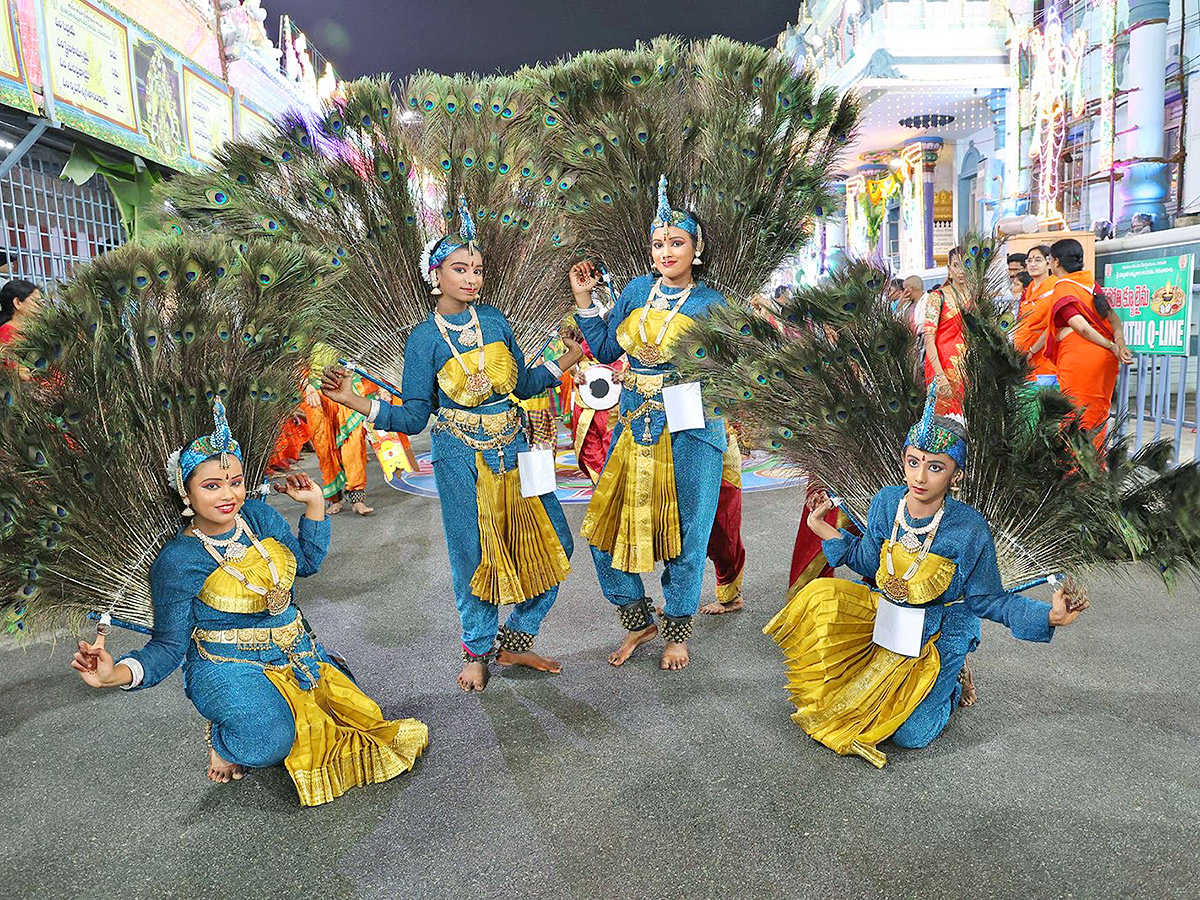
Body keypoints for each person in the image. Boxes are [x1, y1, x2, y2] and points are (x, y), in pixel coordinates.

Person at [70, 400, 428, 804]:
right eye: (211, 486)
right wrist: (113, 674)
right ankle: (223, 739)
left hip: (296, 652)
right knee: (267, 746)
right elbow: (169, 646)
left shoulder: (259, 517)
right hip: (226, 666)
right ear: (185, 491)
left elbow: (306, 563)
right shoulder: (178, 560)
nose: (229, 495)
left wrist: (313, 506)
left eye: (236, 482)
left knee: (361, 715)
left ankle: (293, 693)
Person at [321, 200, 584, 692]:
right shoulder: (424, 340)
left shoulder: (498, 320)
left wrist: (565, 360)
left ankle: (518, 636)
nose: (471, 279)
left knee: (559, 544)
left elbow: (523, 384)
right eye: (459, 269)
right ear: (434, 274)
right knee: (472, 554)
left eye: (478, 270)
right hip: (459, 454)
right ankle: (478, 650)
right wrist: (354, 400)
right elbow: (414, 415)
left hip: (516, 447)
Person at [764, 400, 1087, 767]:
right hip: (888, 618)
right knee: (835, 679)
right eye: (913, 462)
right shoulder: (887, 502)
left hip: (941, 631)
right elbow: (870, 561)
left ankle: (951, 680)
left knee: (910, 736)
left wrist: (1049, 617)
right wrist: (823, 529)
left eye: (935, 468)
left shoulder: (969, 528)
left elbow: (987, 599)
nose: (919, 478)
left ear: (956, 475)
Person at [569, 176, 728, 671]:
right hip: (633, 427)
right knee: (603, 532)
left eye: (676, 243)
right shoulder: (638, 289)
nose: (665, 251)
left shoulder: (712, 303)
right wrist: (583, 300)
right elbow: (609, 346)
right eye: (658, 243)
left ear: (696, 249)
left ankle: (678, 631)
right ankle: (639, 621)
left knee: (687, 533)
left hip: (691, 431)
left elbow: (732, 366)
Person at [1045, 238, 1133, 445]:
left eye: (1049, 259)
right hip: (1104, 360)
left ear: (1056, 262)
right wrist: (1118, 343)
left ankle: (1077, 471)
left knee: (1075, 415)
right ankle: (1095, 464)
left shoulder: (1064, 287)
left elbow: (1081, 327)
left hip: (1081, 360)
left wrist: (1113, 345)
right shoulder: (1090, 284)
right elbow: (1114, 319)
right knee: (1097, 414)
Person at [923, 247, 969, 412]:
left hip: (970, 369)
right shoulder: (937, 297)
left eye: (967, 264)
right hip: (942, 367)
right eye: (956, 265)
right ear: (949, 269)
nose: (961, 270)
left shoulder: (977, 298)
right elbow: (928, 338)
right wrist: (940, 376)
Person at [1012, 244, 1058, 380]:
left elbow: (1052, 327)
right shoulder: (1029, 289)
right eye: (1029, 260)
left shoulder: (1055, 288)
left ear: (1049, 263)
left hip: (1043, 358)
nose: (1033, 264)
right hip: (1023, 358)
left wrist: (1032, 351)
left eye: (1038, 260)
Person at [0, 278, 43, 381]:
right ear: (18, 303)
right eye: (35, 301)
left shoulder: (33, 330)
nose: (40, 306)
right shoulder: (7, 331)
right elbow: (17, 371)